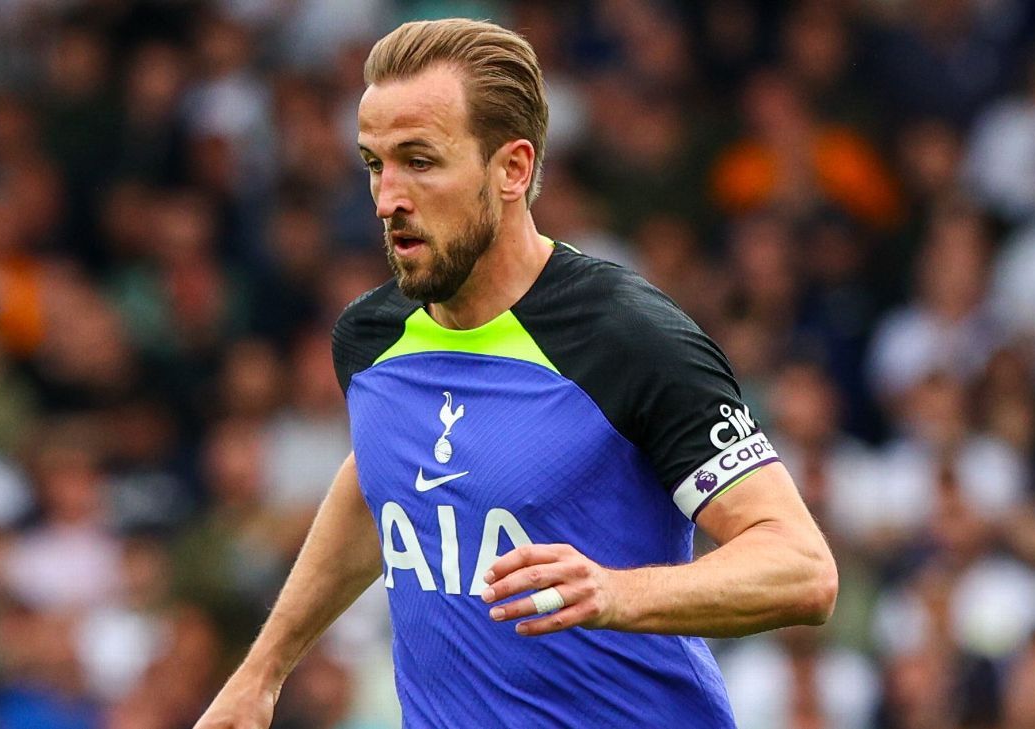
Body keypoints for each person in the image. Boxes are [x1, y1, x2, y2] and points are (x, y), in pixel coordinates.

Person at [195, 18, 837, 729]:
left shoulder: (627, 337)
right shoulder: (370, 339)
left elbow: (802, 567)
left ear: (513, 168)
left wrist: (614, 592)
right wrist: (263, 670)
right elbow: (380, 480)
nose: (387, 199)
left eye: (420, 160)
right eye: (375, 164)